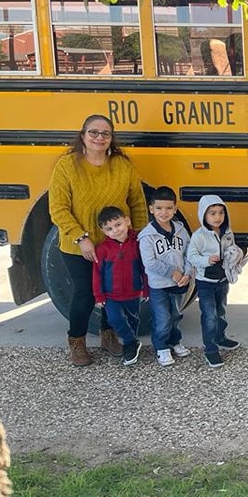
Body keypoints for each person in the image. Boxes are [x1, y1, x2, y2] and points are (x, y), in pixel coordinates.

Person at [48, 114, 148, 366]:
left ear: (112, 139)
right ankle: (77, 342)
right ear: (82, 135)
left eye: (105, 133)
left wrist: (138, 237)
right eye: (93, 132)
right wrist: (81, 237)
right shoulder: (67, 166)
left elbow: (136, 202)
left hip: (116, 244)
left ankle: (108, 335)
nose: (99, 138)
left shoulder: (123, 166)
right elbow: (58, 208)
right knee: (85, 293)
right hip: (78, 246)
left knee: (115, 292)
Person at [186, 194, 245, 368]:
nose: (217, 217)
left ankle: (220, 337)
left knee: (221, 310)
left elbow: (231, 248)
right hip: (205, 281)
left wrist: (235, 257)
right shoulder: (199, 236)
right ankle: (210, 349)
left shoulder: (227, 232)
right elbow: (191, 256)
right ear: (203, 215)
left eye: (221, 213)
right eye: (212, 213)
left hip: (222, 279)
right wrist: (206, 260)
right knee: (209, 315)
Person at [137, 186, 193, 367]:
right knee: (162, 317)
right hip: (159, 284)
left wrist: (187, 272)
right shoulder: (147, 236)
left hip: (179, 282)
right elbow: (150, 263)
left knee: (176, 315)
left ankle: (175, 341)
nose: (164, 212)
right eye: (159, 208)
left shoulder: (180, 230)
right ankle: (161, 347)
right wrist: (173, 273)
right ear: (151, 209)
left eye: (169, 208)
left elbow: (189, 253)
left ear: (175, 209)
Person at [91, 206, 147, 367]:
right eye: (109, 228)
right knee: (115, 318)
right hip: (111, 295)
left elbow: (144, 268)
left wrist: (146, 288)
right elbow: (97, 274)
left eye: (118, 225)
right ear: (103, 231)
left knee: (133, 319)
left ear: (127, 221)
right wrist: (99, 296)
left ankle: (133, 343)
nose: (115, 231)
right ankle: (130, 342)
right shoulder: (102, 250)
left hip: (133, 292)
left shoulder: (137, 243)